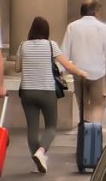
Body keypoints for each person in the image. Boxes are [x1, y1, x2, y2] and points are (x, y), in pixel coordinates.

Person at [16, 16, 87, 172]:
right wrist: (81, 73)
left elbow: (17, 68)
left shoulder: (23, 45)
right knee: (51, 126)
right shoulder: (51, 45)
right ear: (46, 31)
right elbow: (67, 65)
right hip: (46, 91)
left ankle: (37, 161)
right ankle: (41, 152)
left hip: (27, 91)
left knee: (32, 128)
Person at [61, 0, 106, 124]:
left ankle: (85, 123)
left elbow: (64, 50)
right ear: (95, 12)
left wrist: (61, 70)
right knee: (97, 104)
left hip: (78, 72)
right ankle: (94, 127)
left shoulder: (72, 27)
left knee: (82, 104)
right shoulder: (102, 27)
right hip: (97, 73)